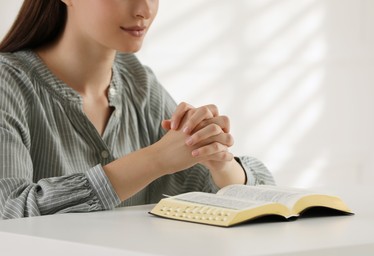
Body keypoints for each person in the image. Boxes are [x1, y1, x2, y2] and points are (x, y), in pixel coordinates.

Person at [0, 0, 274, 219]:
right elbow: (9, 210)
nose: (144, 10)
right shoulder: (7, 84)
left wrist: (219, 161)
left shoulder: (139, 84)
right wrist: (155, 159)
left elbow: (261, 197)